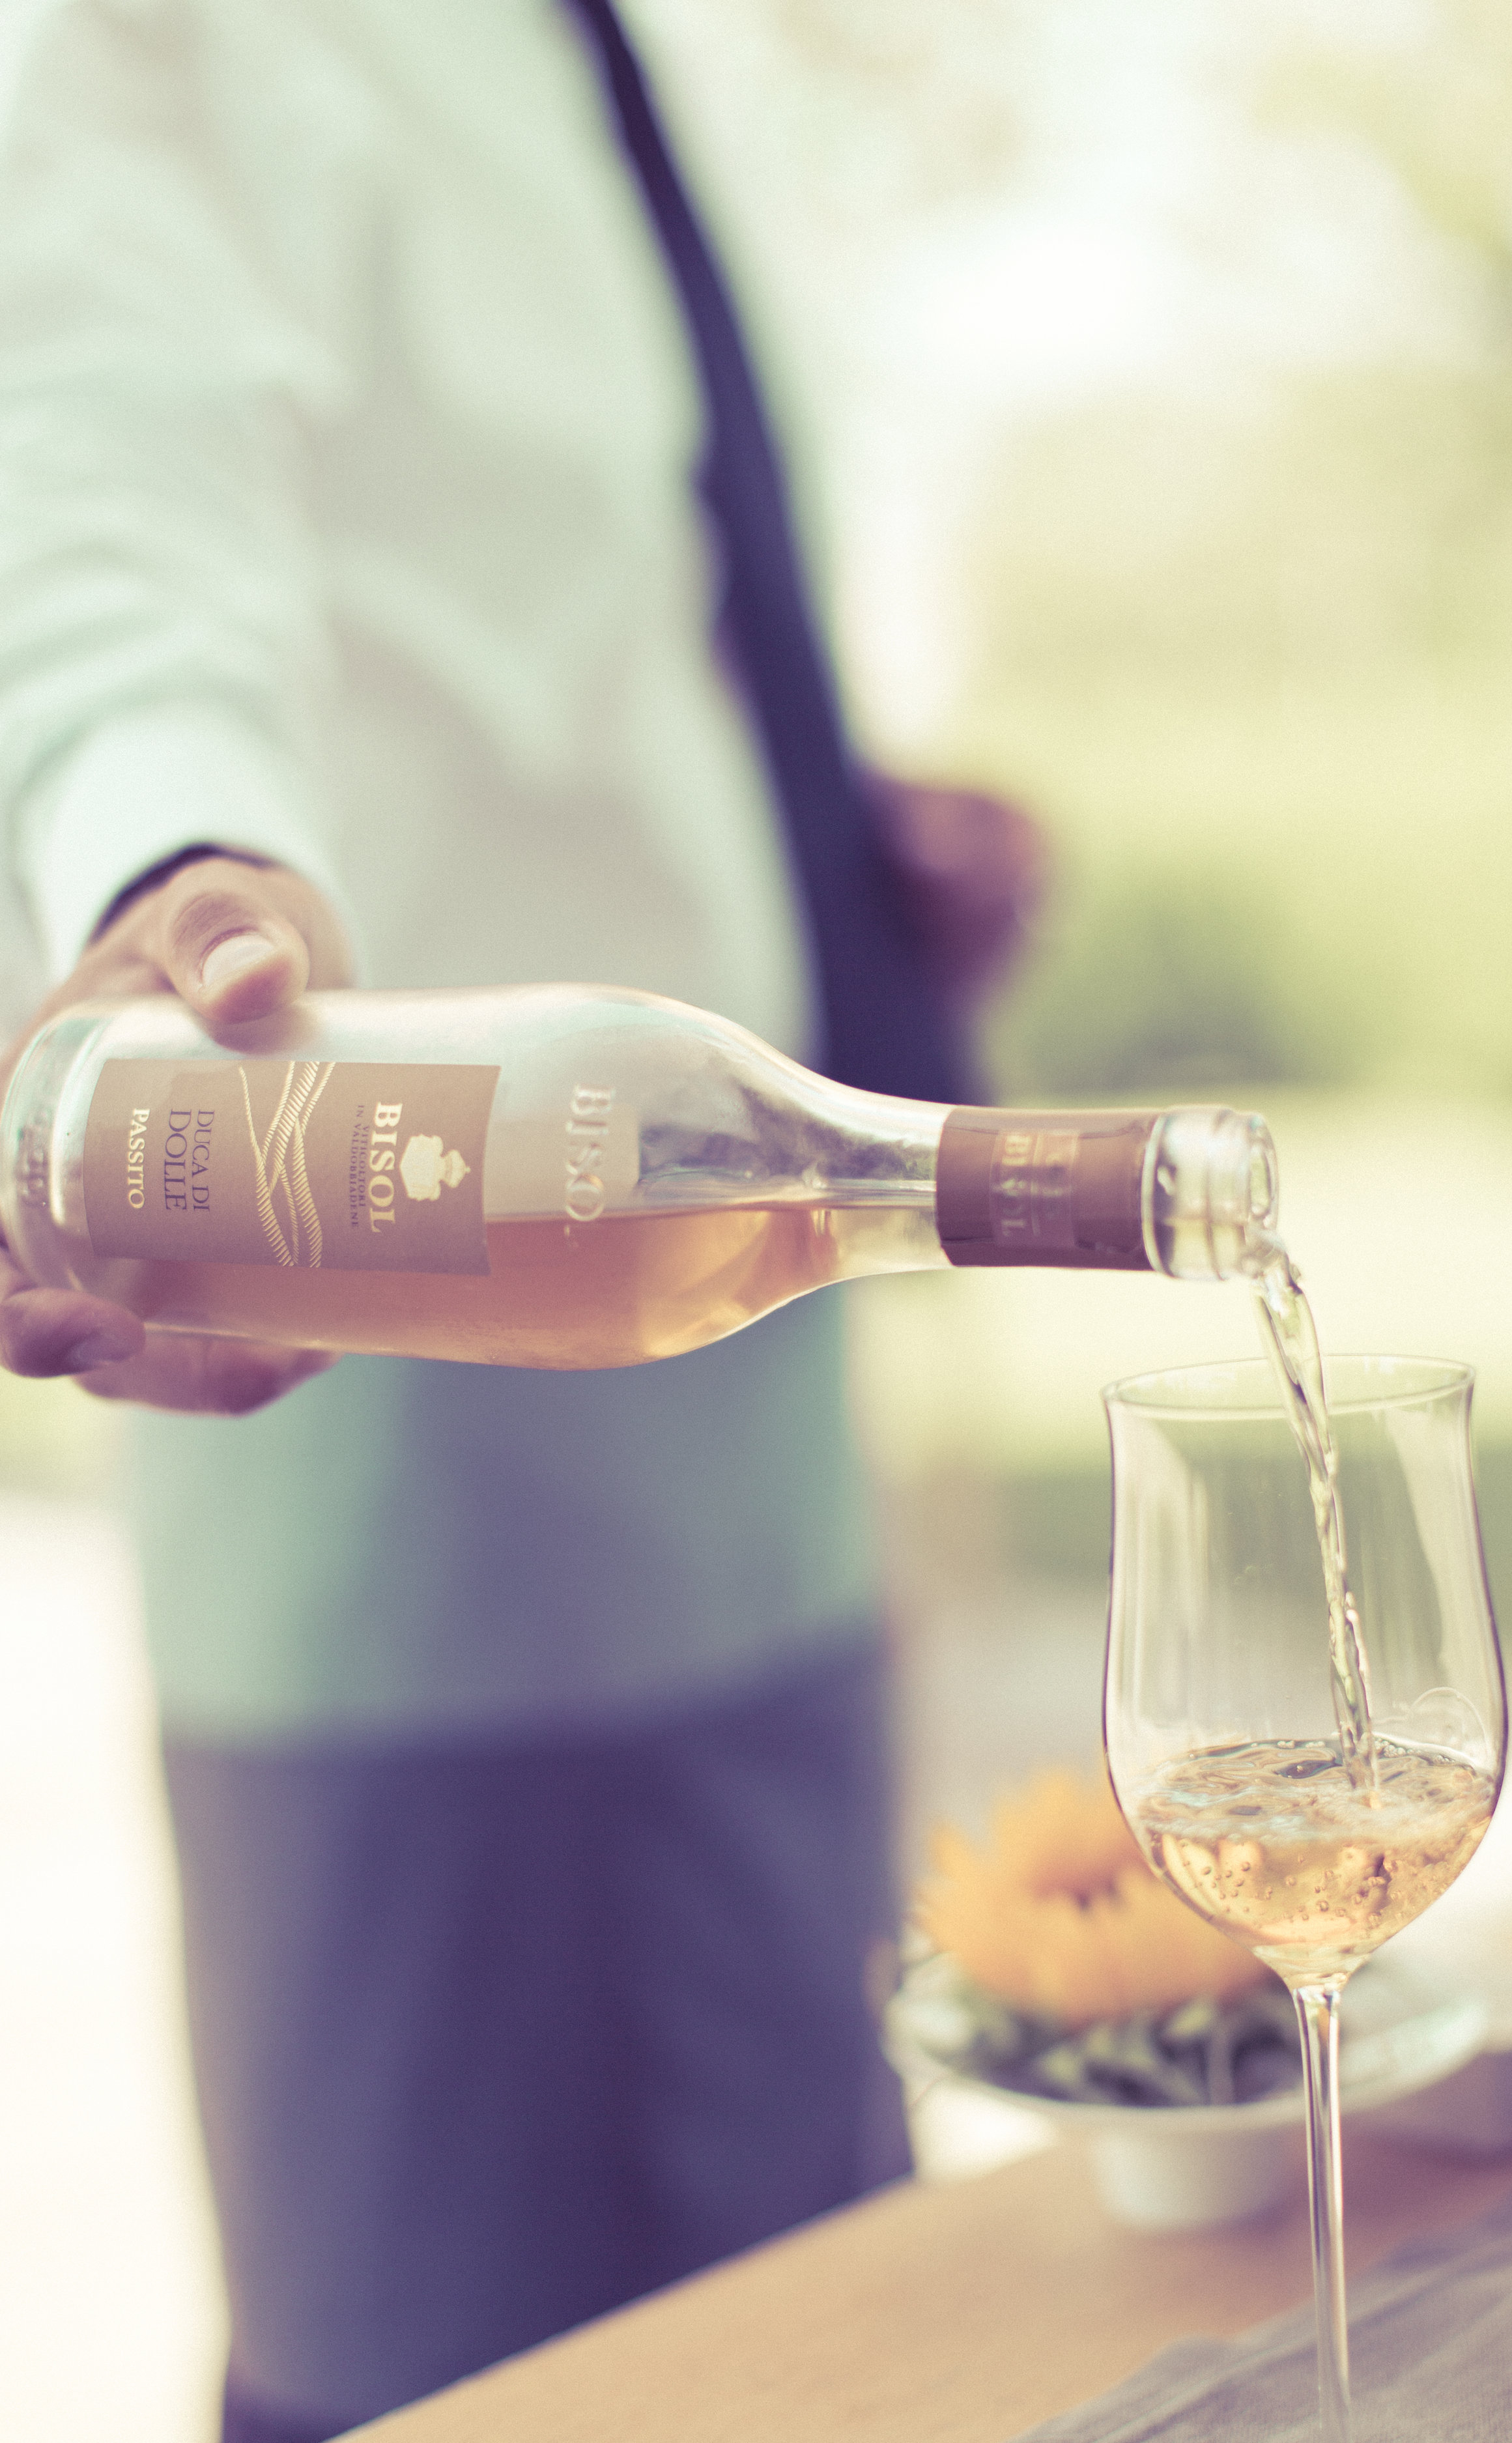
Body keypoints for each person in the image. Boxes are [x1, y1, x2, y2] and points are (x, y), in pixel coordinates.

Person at [0, 7, 1041, 2439]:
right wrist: (172, 873)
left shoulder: (579, 44)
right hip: (415, 1351)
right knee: (470, 2346)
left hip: (751, 1341)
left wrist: (821, 836)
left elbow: (562, 609)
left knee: (815, 2291)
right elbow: (88, 416)